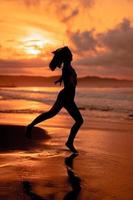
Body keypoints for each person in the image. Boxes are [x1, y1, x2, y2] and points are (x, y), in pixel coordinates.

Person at [26, 46, 83, 153]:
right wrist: (69, 81)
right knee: (75, 120)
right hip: (65, 97)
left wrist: (61, 79)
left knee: (74, 119)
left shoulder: (68, 66)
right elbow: (68, 77)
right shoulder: (66, 67)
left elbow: (66, 75)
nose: (72, 55)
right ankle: (30, 126)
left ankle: (69, 142)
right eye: (70, 54)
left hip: (68, 97)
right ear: (67, 57)